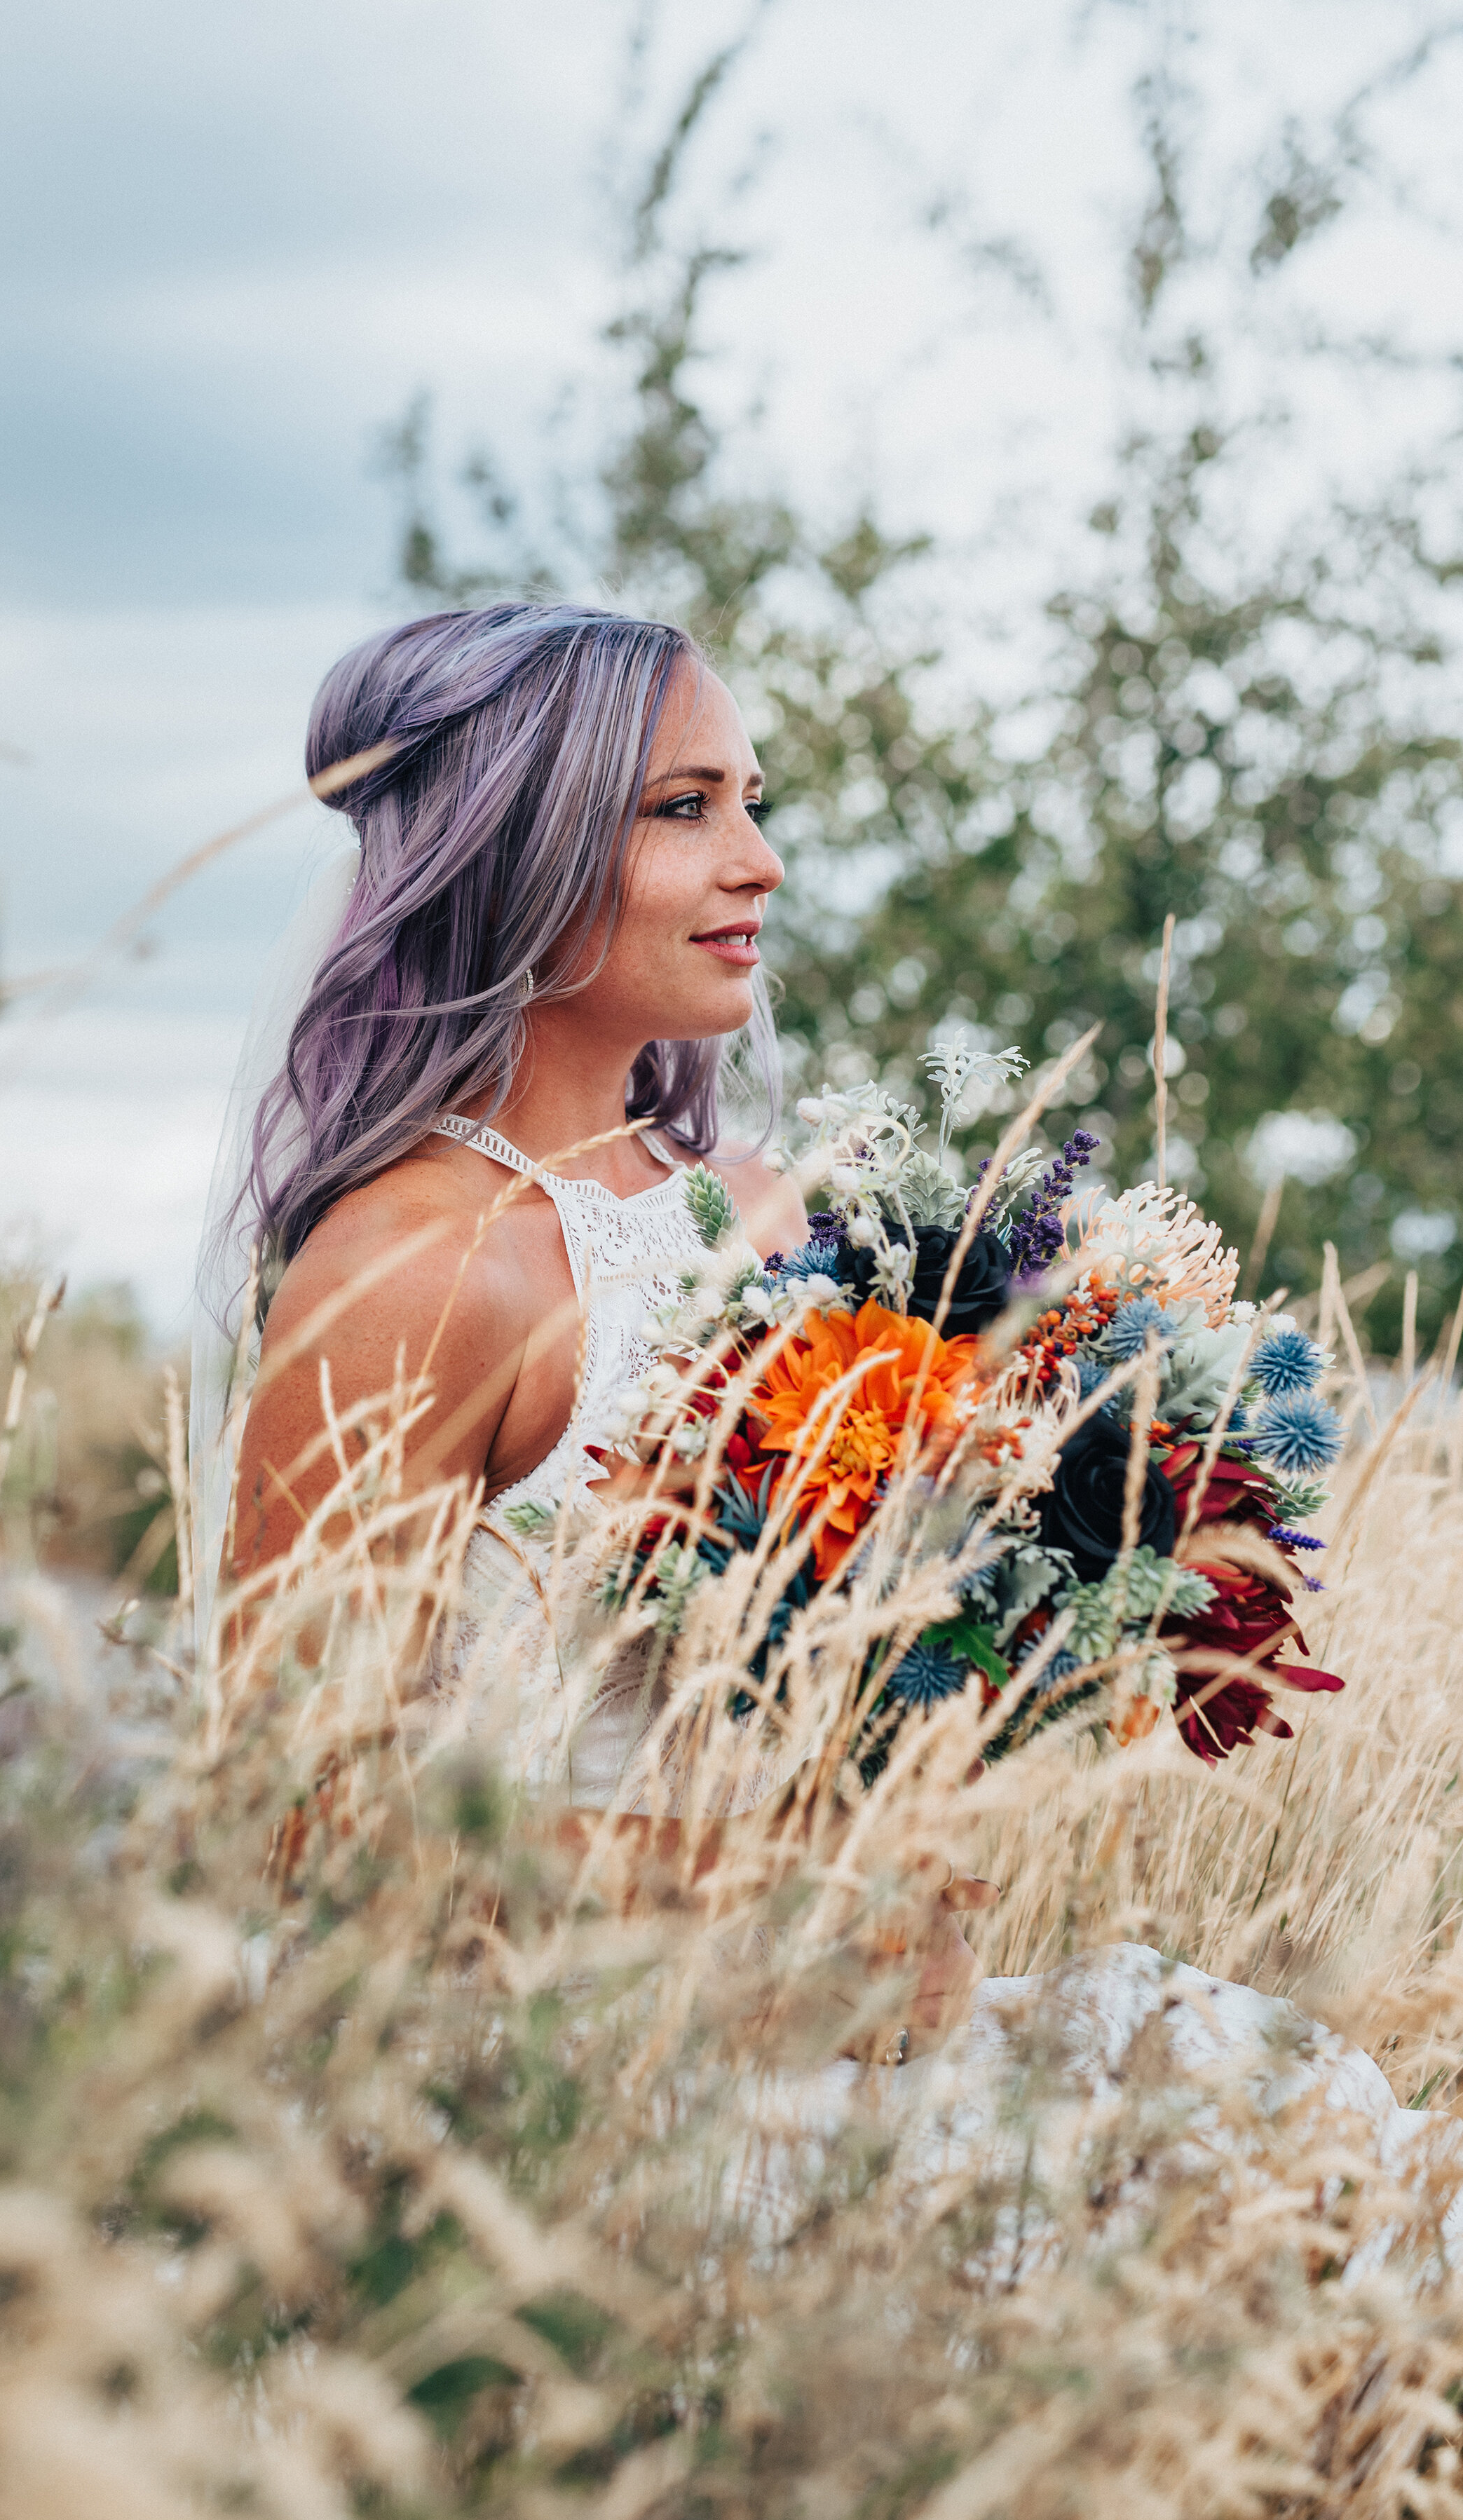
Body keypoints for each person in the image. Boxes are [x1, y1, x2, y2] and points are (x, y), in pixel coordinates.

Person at [191, 601, 1460, 2205]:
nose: (760, 861)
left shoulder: (772, 1211)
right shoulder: (412, 1271)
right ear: (511, 843)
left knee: (1325, 2163)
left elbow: (870, 1647)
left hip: (862, 2046)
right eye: (685, 808)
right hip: (574, 2117)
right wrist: (746, 1902)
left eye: (753, 800)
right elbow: (297, 1828)